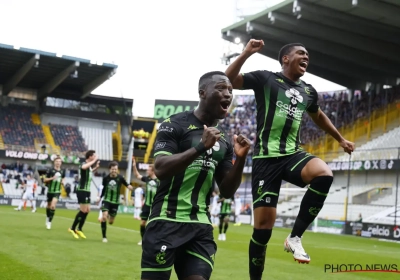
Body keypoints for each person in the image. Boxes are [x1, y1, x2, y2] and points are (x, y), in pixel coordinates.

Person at [225, 40, 355, 277]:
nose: (306, 57)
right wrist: (245, 53)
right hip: (266, 160)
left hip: (293, 154)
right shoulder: (266, 79)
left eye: (308, 54)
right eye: (301, 53)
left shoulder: (308, 90)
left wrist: (340, 139)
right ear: (286, 58)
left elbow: (319, 116)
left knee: (324, 173)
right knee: (262, 231)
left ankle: (295, 237)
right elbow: (229, 81)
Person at [140, 71, 251, 280]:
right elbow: (161, 168)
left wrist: (241, 159)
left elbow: (226, 190)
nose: (228, 94)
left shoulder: (225, 141)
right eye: (221, 88)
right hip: (166, 220)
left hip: (200, 225)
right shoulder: (174, 124)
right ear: (202, 93)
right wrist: (200, 147)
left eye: (230, 90)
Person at [98, 161, 133, 243]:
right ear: (109, 169)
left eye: (115, 169)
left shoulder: (120, 178)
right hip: (106, 200)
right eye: (112, 169)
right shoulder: (105, 178)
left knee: (111, 222)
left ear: (117, 170)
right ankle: (104, 237)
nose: (114, 170)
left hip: (115, 202)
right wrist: (100, 197)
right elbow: (103, 189)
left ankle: (111, 216)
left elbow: (126, 184)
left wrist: (129, 187)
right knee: (104, 217)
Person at [68, 150, 100, 239]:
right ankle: (72, 228)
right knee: (83, 210)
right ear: (89, 156)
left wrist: (95, 168)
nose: (95, 156)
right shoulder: (83, 163)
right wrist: (94, 161)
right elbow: (83, 168)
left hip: (87, 191)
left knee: (87, 210)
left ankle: (80, 229)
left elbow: (88, 171)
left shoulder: (89, 166)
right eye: (93, 155)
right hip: (82, 190)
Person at [132, 158, 160, 246]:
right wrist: (134, 166)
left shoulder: (159, 180)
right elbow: (137, 175)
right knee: (143, 223)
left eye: (148, 169)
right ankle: (143, 240)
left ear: (153, 171)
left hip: (156, 206)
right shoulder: (147, 179)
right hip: (147, 205)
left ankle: (154, 240)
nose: (147, 171)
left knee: (153, 225)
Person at [43, 156, 66, 229]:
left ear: (61, 163)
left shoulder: (63, 171)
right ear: (54, 162)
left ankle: (49, 222)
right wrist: (52, 178)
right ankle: (47, 217)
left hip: (57, 191)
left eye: (59, 162)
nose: (58, 163)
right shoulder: (50, 170)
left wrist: (63, 182)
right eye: (57, 161)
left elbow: (63, 178)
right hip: (50, 191)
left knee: (53, 206)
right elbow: (44, 180)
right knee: (48, 206)